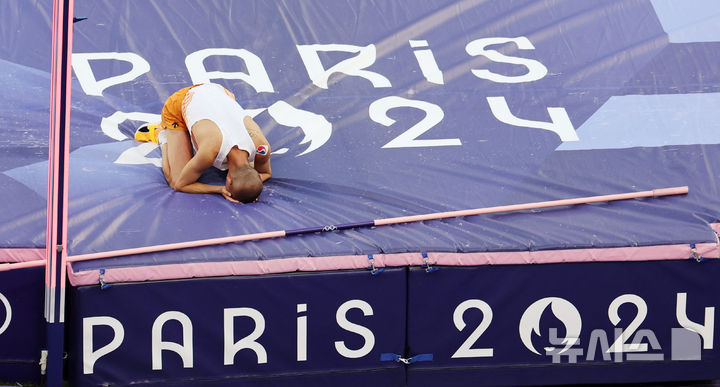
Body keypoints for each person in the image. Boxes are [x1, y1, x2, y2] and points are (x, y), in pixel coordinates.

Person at [135, 83, 271, 203]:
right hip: (181, 102)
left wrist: (250, 187)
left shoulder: (262, 147)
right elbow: (180, 185)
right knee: (174, 179)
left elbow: (266, 173)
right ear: (228, 181)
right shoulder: (210, 151)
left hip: (218, 92)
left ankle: (187, 134)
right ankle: (162, 135)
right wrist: (220, 190)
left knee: (203, 140)